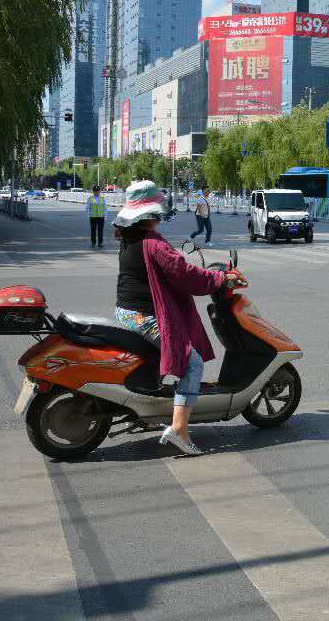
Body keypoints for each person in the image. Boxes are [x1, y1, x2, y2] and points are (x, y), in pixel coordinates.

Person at [112, 181, 245, 455]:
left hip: (126, 311)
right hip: (143, 316)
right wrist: (221, 278)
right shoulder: (153, 243)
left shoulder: (127, 238)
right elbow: (186, 275)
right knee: (191, 362)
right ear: (151, 212)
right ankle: (179, 429)